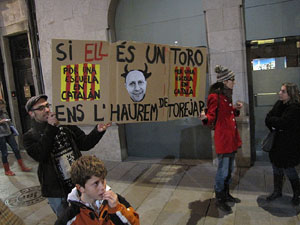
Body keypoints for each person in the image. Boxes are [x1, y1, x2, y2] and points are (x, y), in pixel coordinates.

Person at [23, 94, 111, 217]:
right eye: (41, 108)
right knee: (66, 218)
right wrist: (51, 127)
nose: (47, 110)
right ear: (31, 114)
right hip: (56, 189)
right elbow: (41, 155)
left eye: (47, 106)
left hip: (77, 182)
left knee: (86, 216)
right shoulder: (29, 137)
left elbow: (85, 143)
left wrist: (98, 131)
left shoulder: (65, 124)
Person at [199, 65, 242, 213]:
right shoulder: (215, 97)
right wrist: (205, 118)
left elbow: (227, 114)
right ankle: (219, 198)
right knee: (222, 171)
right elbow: (211, 116)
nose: (234, 82)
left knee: (229, 170)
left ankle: (226, 194)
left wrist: (235, 109)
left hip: (231, 138)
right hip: (224, 139)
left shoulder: (226, 95)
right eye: (232, 80)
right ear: (225, 81)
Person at [55, 155, 140, 225]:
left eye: (103, 181)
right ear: (80, 188)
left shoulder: (117, 201)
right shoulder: (69, 218)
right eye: (96, 183)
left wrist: (117, 209)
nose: (102, 187)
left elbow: (135, 223)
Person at [265, 83, 300, 205]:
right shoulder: (279, 104)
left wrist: (275, 123)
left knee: (289, 169)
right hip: (277, 143)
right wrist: (276, 124)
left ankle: (297, 194)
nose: (279, 93)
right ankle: (277, 191)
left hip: (289, 145)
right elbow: (268, 118)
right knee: (276, 167)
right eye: (280, 91)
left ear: (290, 94)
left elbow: (284, 123)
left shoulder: (295, 108)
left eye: (283, 91)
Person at [0, 99, 31, 176]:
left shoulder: (4, 111)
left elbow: (9, 122)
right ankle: (7, 170)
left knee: (16, 149)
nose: (3, 107)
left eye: (3, 106)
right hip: (1, 135)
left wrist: (13, 128)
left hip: (9, 133)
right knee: (4, 153)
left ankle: (22, 166)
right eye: (2, 106)